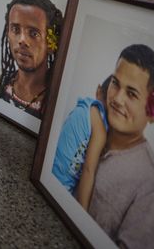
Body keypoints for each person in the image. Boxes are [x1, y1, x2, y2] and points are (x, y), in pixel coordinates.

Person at [87, 44, 154, 248]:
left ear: (153, 112)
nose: (117, 98)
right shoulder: (87, 125)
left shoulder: (153, 188)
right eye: (115, 83)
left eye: (131, 94)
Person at [0, 0, 63, 118]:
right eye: (15, 29)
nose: (22, 40)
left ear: (51, 45)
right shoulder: (0, 83)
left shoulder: (55, 102)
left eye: (33, 33)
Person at [52, 75, 111, 208]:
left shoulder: (83, 107)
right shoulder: (99, 127)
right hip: (61, 186)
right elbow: (88, 170)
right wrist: (80, 215)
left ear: (98, 90)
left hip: (49, 169)